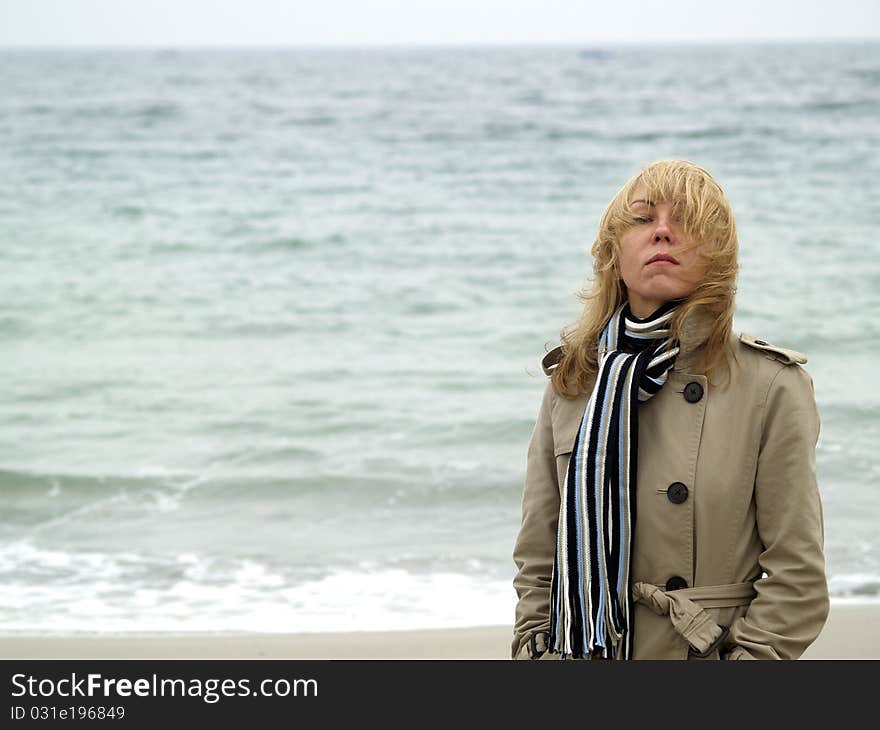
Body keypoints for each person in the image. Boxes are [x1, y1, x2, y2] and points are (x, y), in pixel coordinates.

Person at [511, 159, 829, 660]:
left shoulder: (771, 386)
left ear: (717, 256)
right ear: (614, 254)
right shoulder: (574, 383)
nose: (662, 232)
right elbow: (536, 559)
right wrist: (536, 648)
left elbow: (798, 578)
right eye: (642, 219)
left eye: (685, 220)